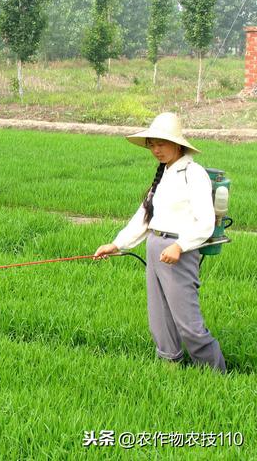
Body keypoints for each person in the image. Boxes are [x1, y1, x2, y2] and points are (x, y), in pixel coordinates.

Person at [93, 112, 226, 373]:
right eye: (152, 144)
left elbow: (205, 222)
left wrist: (180, 246)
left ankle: (216, 373)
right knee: (160, 317)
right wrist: (117, 244)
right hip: (155, 246)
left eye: (161, 143)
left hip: (179, 251)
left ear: (178, 144)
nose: (156, 149)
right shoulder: (164, 173)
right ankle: (170, 365)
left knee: (188, 321)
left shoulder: (193, 174)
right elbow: (145, 216)